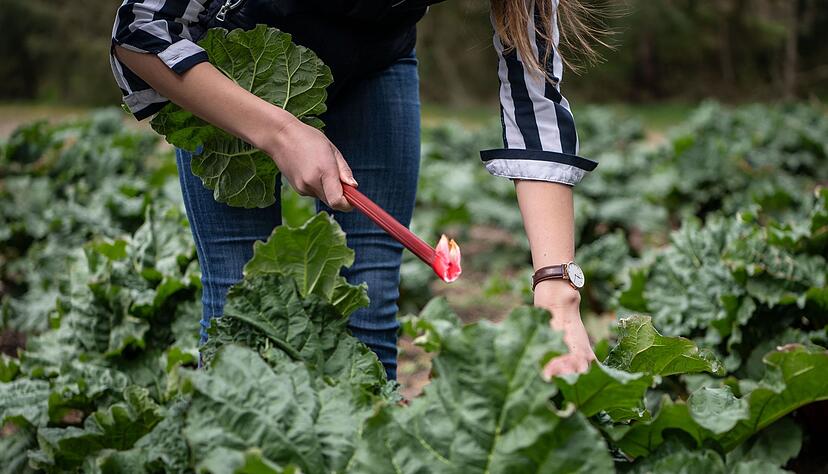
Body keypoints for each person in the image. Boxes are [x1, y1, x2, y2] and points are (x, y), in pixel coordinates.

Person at [110, 0, 598, 381]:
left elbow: (536, 93)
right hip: (229, 70)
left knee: (372, 298)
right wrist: (281, 132)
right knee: (240, 299)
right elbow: (140, 28)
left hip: (373, 63)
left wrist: (558, 294)